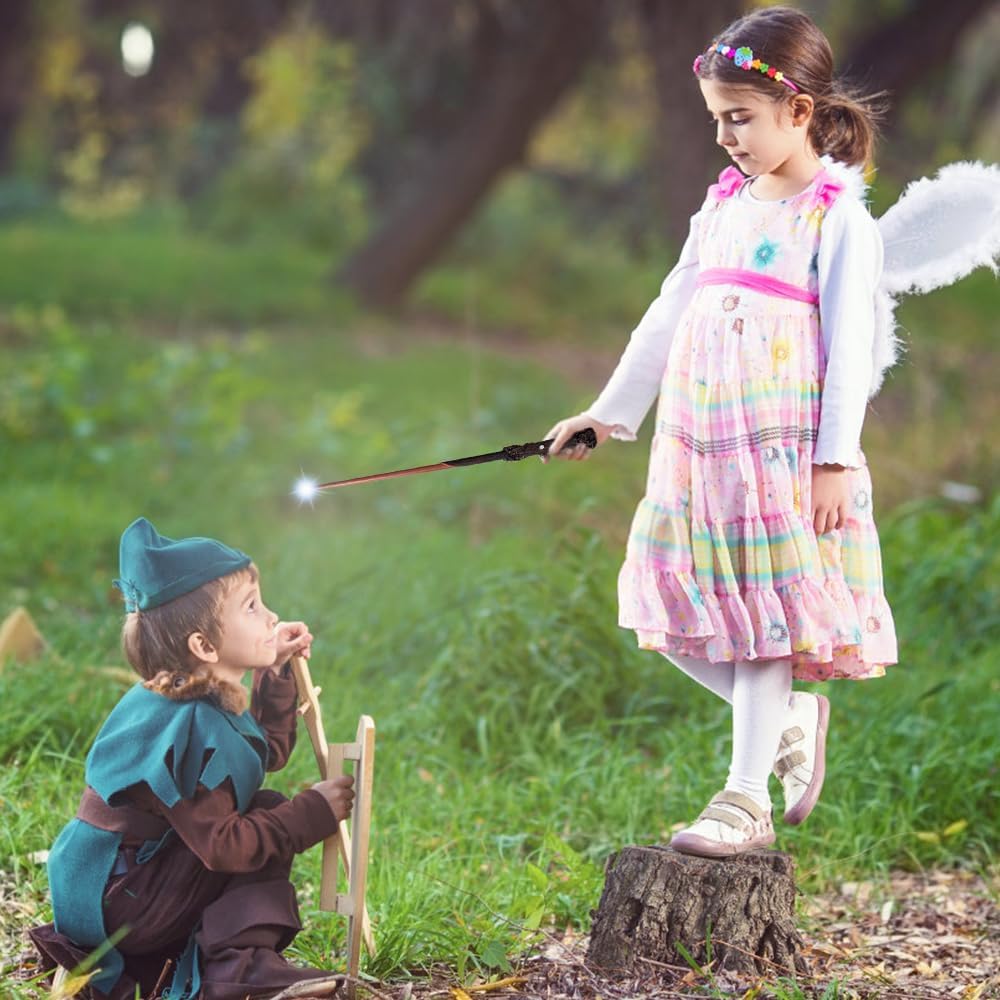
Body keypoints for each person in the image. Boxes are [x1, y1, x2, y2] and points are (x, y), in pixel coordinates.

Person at [544, 6, 898, 858]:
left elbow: (851, 344)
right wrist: (608, 412)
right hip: (700, 447)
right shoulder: (724, 205)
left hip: (780, 449)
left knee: (766, 613)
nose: (725, 137)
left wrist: (835, 459)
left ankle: (744, 799)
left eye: (739, 117)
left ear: (799, 110)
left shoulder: (835, 216)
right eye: (716, 119)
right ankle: (790, 719)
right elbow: (670, 308)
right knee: (663, 598)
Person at [29, 517, 355, 1000]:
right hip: (117, 904)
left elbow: (259, 755)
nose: (270, 617)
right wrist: (311, 814)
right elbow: (223, 847)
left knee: (262, 804)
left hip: (123, 885)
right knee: (268, 813)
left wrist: (275, 669)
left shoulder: (191, 694)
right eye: (251, 606)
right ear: (203, 645)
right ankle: (238, 969)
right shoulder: (186, 727)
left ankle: (210, 959)